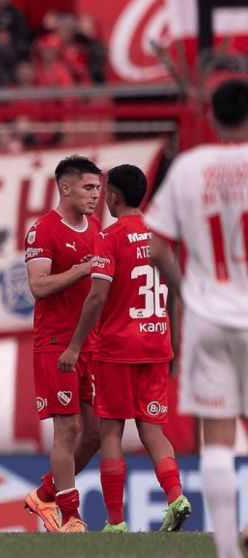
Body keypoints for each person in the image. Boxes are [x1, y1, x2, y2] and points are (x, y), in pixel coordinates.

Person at [57, 164, 191, 533]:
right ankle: (176, 497)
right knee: (153, 429)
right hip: (156, 342)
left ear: (113, 197)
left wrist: (75, 346)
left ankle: (115, 522)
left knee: (111, 431)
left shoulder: (110, 237)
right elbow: (175, 292)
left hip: (117, 348)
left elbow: (97, 297)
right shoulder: (161, 235)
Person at [147, 78, 248, 558]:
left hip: (208, 314)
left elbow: (156, 242)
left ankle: (228, 552)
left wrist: (185, 287)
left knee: (217, 438)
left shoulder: (189, 167)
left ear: (212, 117)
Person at [22, 155, 103, 533]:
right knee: (67, 429)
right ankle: (71, 517)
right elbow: (38, 286)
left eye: (99, 188)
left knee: (97, 434)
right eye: (89, 187)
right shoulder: (43, 230)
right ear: (65, 187)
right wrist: (79, 270)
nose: (95, 195)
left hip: (89, 343)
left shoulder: (96, 227)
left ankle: (44, 494)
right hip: (56, 343)